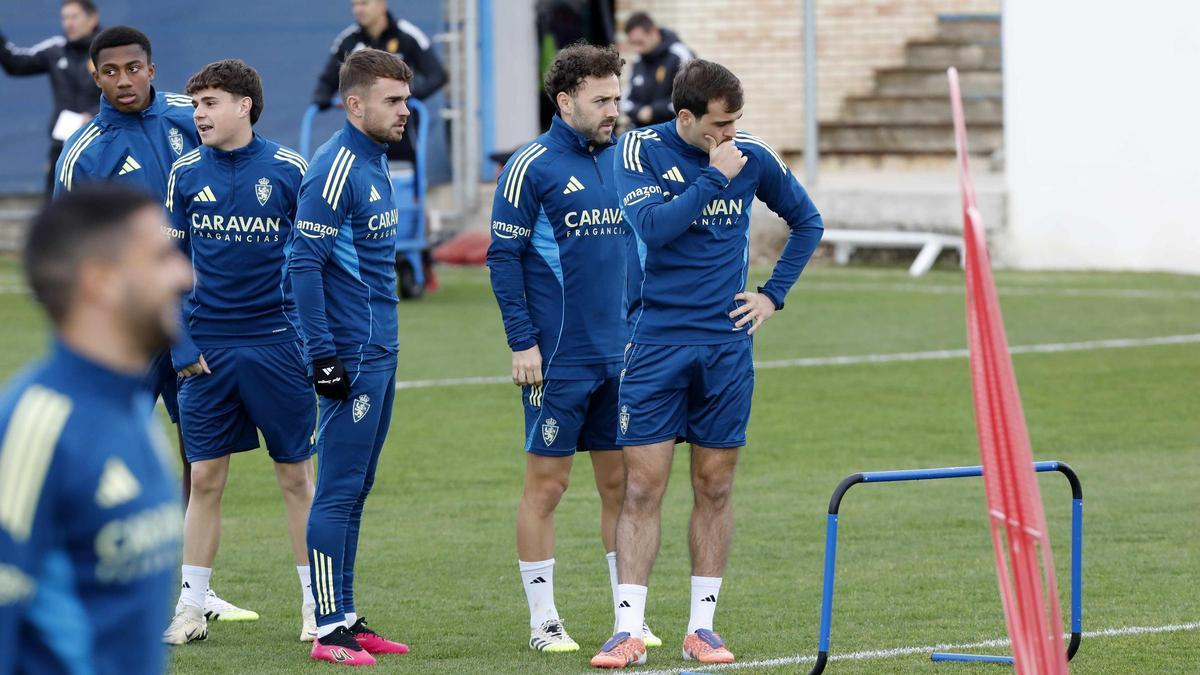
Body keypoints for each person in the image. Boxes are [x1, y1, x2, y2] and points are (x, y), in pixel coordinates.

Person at [592, 59, 824, 668]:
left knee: (715, 485)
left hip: (726, 350)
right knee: (642, 487)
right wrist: (713, 180)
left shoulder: (752, 157)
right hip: (656, 345)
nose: (730, 136)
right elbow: (653, 227)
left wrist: (773, 294)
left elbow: (807, 221)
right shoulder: (638, 152)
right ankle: (628, 630)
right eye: (719, 125)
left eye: (736, 124)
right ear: (686, 117)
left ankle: (703, 628)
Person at [52, 23, 257, 624]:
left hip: (201, 318)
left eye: (133, 68)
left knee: (202, 451)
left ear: (152, 68)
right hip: (127, 332)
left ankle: (193, 591)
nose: (124, 80)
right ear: (94, 76)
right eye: (110, 71)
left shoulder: (188, 117)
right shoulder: (84, 153)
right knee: (105, 458)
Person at [486, 42, 661, 655]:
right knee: (548, 487)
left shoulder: (624, 161)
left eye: (618, 97)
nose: (615, 109)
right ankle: (544, 622)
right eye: (602, 99)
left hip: (621, 356)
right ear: (565, 102)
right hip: (556, 359)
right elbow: (503, 258)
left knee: (623, 486)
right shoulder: (530, 165)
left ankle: (628, 620)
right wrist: (522, 343)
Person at [158, 59, 319, 647]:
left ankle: (316, 607)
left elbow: (315, 264)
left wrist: (309, 342)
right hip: (206, 353)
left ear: (245, 105)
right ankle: (191, 609)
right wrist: (180, 345)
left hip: (277, 346)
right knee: (203, 480)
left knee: (296, 478)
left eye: (210, 102)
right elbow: (165, 270)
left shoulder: (289, 169)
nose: (198, 113)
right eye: (196, 103)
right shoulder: (183, 172)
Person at [0, 184, 192, 674]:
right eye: (160, 258)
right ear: (101, 281)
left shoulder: (130, 408)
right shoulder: (35, 426)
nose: (184, 275)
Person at [290, 48, 413, 666]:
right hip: (351, 358)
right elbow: (302, 265)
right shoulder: (335, 165)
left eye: (406, 99)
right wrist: (322, 357)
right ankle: (325, 629)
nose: (405, 110)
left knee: (357, 487)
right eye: (392, 100)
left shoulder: (376, 161)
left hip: (381, 352)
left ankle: (346, 613)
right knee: (336, 491)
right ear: (355, 103)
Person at [312, 0, 446, 164]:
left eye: (364, 3)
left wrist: (402, 97)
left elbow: (437, 75)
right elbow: (327, 80)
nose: (358, 10)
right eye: (354, 5)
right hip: (364, 131)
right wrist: (322, 98)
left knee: (403, 179)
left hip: (402, 133)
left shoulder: (407, 35)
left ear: (382, 4)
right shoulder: (348, 40)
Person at [0, 0, 101, 197]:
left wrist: (94, 116)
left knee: (98, 214)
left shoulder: (108, 51)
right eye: (64, 18)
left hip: (98, 145)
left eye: (74, 17)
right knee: (54, 211)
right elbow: (15, 63)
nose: (68, 23)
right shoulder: (55, 49)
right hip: (61, 148)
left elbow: (126, 92)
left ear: (92, 19)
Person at [620, 12, 693, 128]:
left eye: (640, 42)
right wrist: (639, 112)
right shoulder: (638, 60)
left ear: (653, 32)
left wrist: (654, 111)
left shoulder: (679, 54)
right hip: (641, 130)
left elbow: (691, 98)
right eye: (634, 44)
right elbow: (625, 101)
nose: (638, 49)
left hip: (673, 130)